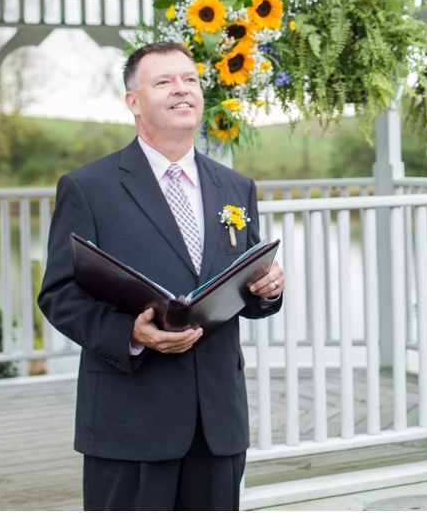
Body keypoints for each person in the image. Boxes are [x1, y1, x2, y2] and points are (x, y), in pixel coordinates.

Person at [38, 41, 284, 511]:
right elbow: (59, 295)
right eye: (164, 81)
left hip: (217, 421)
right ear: (134, 101)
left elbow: (249, 287)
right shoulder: (88, 188)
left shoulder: (235, 187)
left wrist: (268, 290)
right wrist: (129, 333)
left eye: (190, 79)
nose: (182, 90)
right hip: (130, 421)